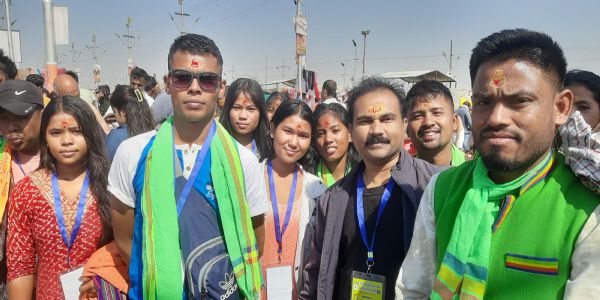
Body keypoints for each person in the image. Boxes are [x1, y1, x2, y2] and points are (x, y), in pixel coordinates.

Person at [396, 29, 600, 299]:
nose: (496, 118)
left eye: (519, 101)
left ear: (561, 108)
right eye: (483, 102)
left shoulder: (587, 208)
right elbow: (413, 290)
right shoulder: (442, 188)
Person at [109, 33, 267, 299]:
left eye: (207, 79)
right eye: (183, 78)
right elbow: (126, 240)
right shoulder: (133, 153)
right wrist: (167, 278)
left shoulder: (244, 161)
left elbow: (254, 244)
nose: (195, 88)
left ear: (220, 87)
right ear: (168, 83)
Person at [300, 77, 443, 300]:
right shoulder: (333, 198)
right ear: (351, 129)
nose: (376, 130)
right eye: (365, 121)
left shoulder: (433, 186)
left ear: (404, 124)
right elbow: (315, 274)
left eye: (387, 119)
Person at [7, 95, 113, 300]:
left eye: (76, 131)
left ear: (91, 134)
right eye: (56, 132)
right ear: (45, 137)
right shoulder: (26, 192)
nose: (66, 141)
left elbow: (129, 249)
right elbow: (21, 266)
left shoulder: (112, 185)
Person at [260, 99, 326, 299]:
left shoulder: (316, 189)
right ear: (272, 129)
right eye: (287, 131)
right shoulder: (250, 180)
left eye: (303, 135)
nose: (294, 142)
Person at [0, 80, 44, 298]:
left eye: (20, 117)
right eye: (4, 118)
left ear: (41, 114)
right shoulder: (1, 163)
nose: (11, 127)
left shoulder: (67, 159)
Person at [405, 80, 465, 166]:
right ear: (407, 128)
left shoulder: (474, 172)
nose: (428, 122)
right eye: (418, 116)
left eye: (437, 113)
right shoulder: (400, 177)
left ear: (454, 122)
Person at [219, 78, 271, 158]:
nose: (243, 116)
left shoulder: (270, 148)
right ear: (227, 110)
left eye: (251, 109)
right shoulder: (215, 144)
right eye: (236, 107)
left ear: (261, 112)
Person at [313, 103, 360, 187]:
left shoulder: (365, 173)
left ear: (350, 133)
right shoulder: (307, 179)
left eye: (335, 131)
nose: (328, 139)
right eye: (321, 133)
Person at [105, 85, 155, 162]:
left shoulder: (116, 136)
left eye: (114, 111)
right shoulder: (152, 130)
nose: (114, 115)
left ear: (123, 111)